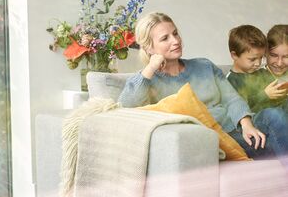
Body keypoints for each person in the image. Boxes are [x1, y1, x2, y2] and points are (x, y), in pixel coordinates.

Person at [118, 12, 288, 161]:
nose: (176, 40)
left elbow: (231, 98)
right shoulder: (148, 79)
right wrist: (150, 68)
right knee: (275, 142)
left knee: (273, 114)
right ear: (149, 47)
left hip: (238, 128)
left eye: (175, 33)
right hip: (218, 140)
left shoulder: (204, 66)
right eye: (165, 38)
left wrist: (246, 123)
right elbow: (126, 107)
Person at [226, 25, 287, 113]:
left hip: (275, 113)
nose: (258, 63)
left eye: (261, 58)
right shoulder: (230, 81)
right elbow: (239, 107)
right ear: (234, 55)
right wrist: (265, 95)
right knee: (272, 114)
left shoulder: (260, 73)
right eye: (252, 59)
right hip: (257, 118)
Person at [266, 25, 288, 92]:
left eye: (286, 56)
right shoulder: (252, 77)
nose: (279, 63)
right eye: (273, 55)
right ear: (265, 52)